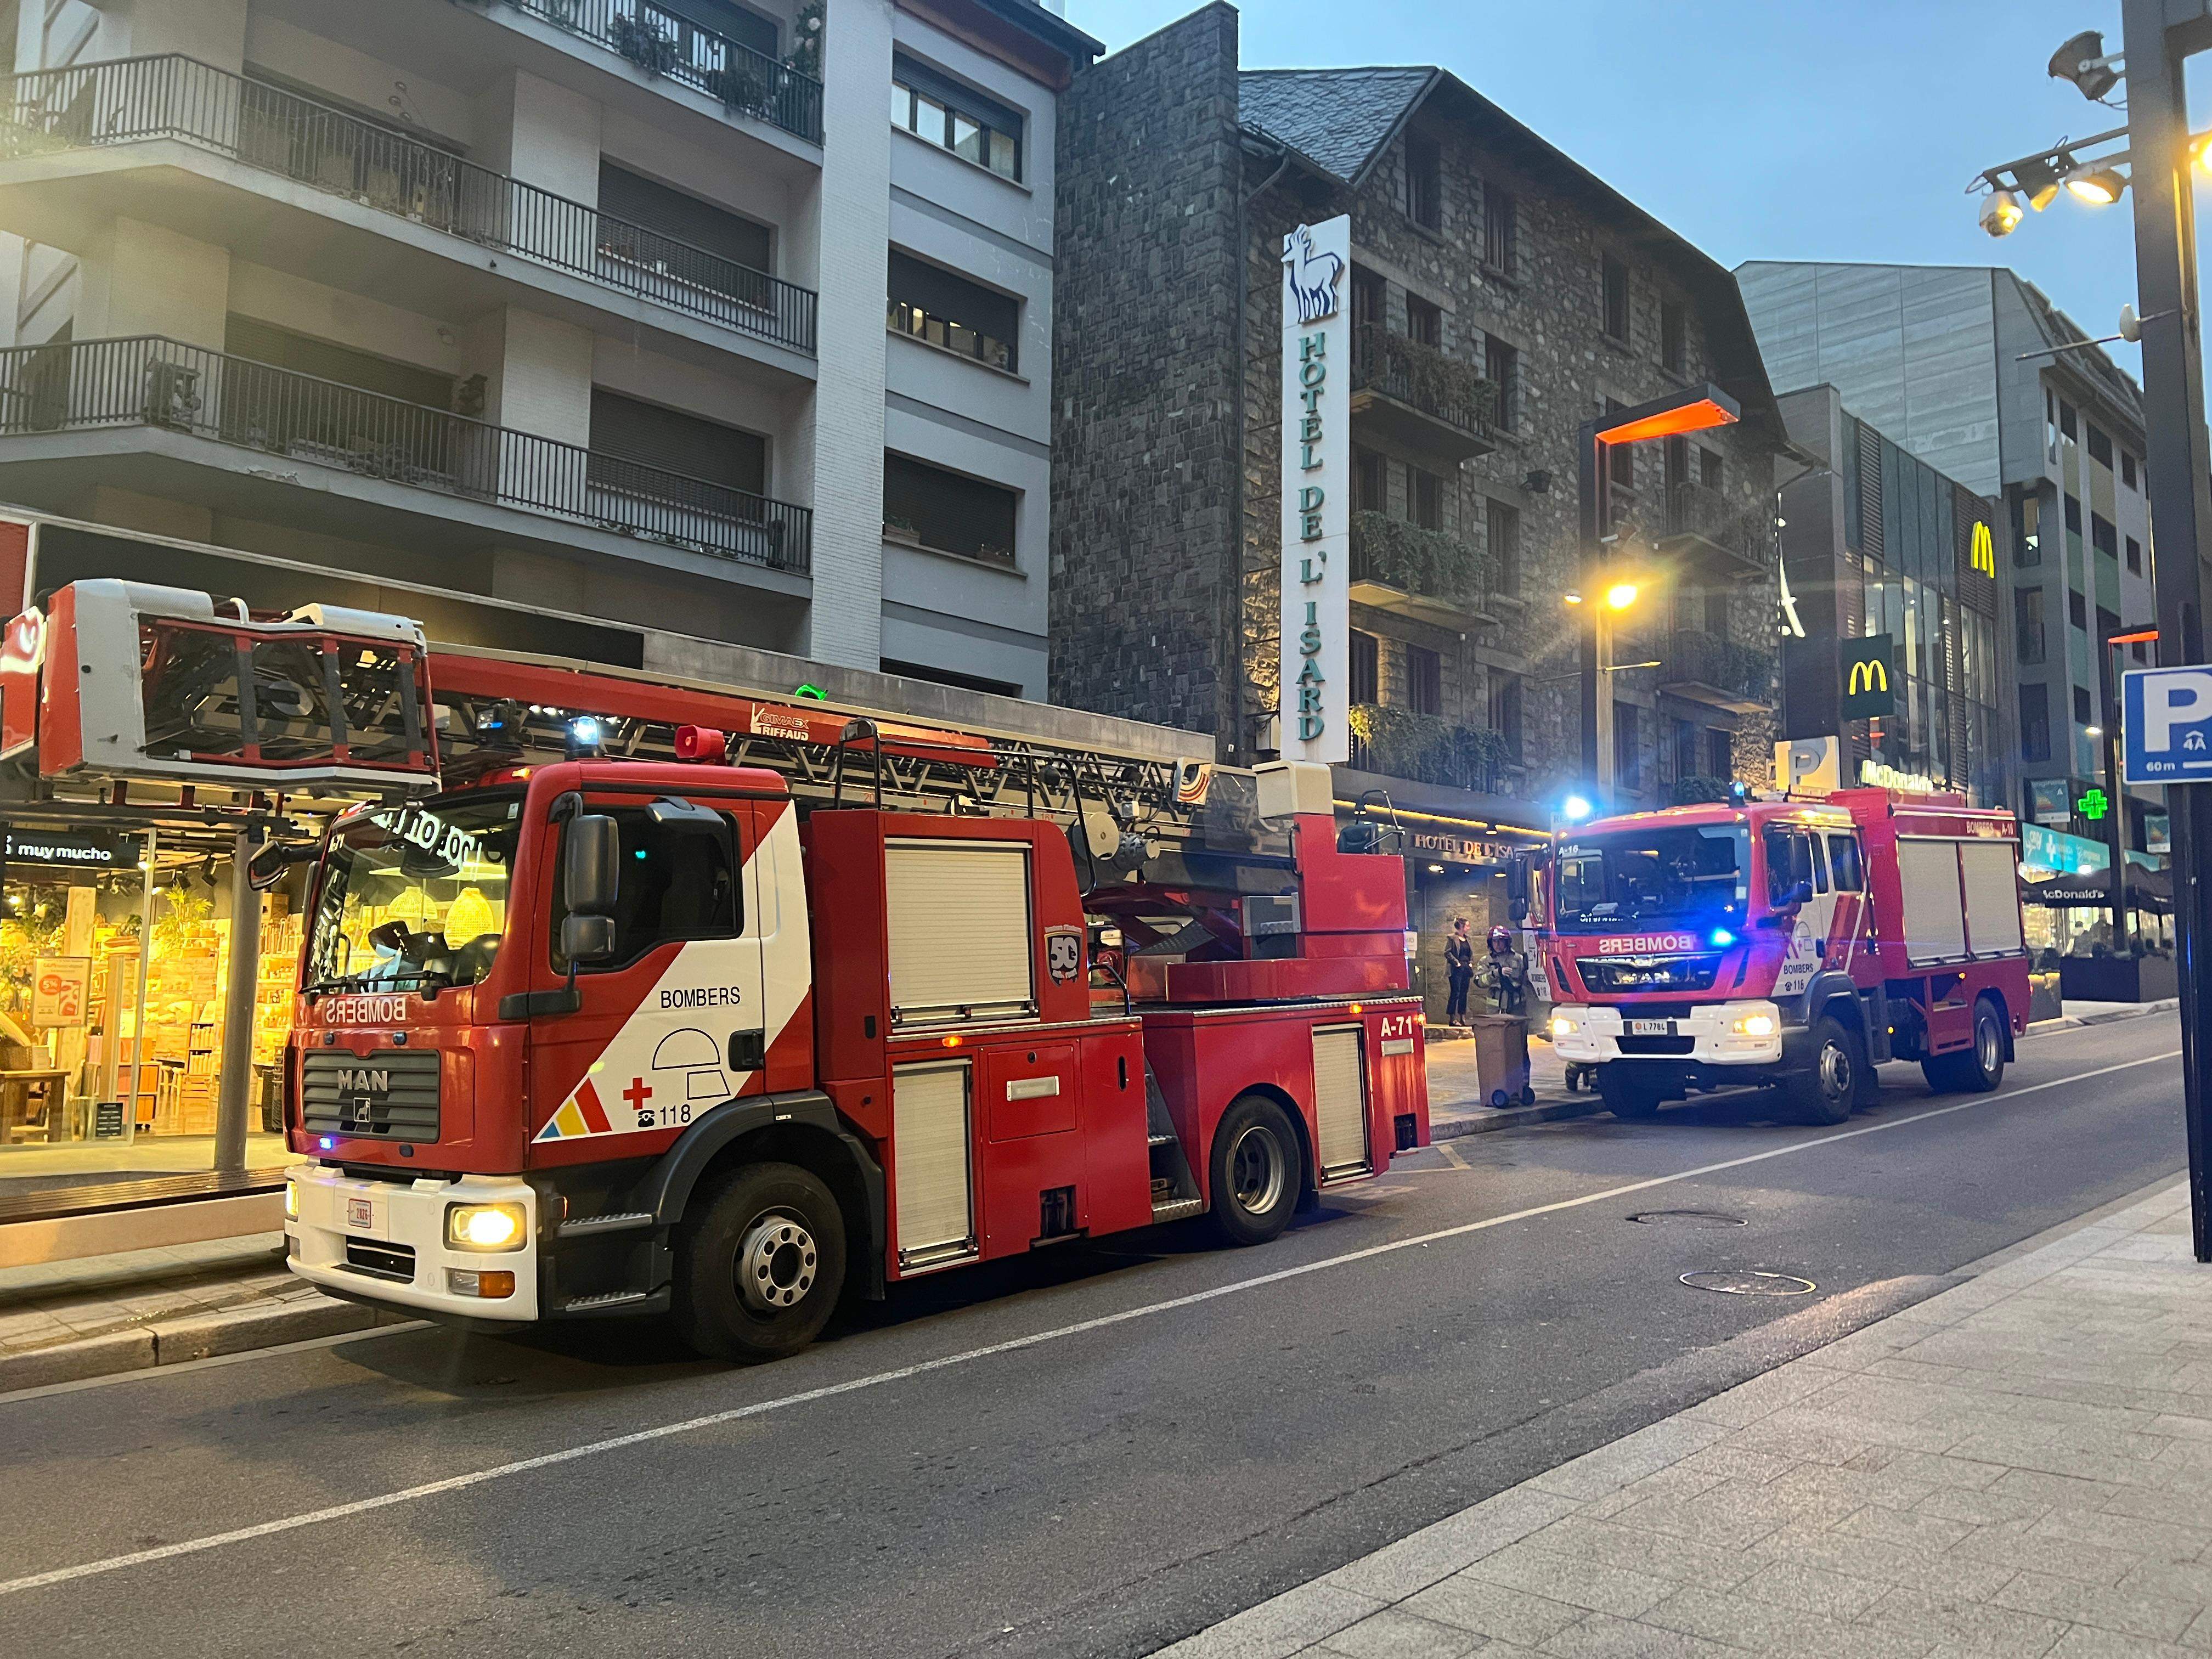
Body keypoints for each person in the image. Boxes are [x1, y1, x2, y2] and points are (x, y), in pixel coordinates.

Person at [1481, 924, 1528, 1017]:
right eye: (1494, 941)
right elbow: (1479, 982)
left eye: (1501, 941)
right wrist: (1496, 973)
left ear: (1507, 942)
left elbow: (1527, 983)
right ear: (1490, 943)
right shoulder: (1486, 961)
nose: (1497, 944)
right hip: (1495, 1009)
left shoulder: (1519, 959)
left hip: (1516, 1006)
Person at [1443, 917, 1476, 1026]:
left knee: (1464, 993)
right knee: (1455, 993)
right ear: (1461, 926)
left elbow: (1471, 953)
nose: (1469, 927)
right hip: (1456, 969)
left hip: (1466, 968)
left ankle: (1462, 1017)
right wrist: (1456, 962)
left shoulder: (1468, 939)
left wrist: (1471, 962)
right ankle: (1452, 1018)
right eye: (1467, 925)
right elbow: (1447, 953)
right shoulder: (1452, 939)